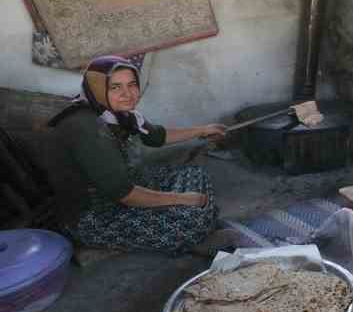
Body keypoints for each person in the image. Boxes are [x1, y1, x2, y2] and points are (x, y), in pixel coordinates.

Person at [49, 55, 227, 256]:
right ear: (98, 88)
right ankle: (195, 233)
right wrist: (183, 199)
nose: (127, 94)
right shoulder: (86, 127)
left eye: (132, 85)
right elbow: (124, 194)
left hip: (129, 184)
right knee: (189, 218)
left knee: (195, 174)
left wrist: (202, 130)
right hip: (95, 214)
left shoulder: (119, 114)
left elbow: (157, 136)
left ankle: (198, 222)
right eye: (115, 87)